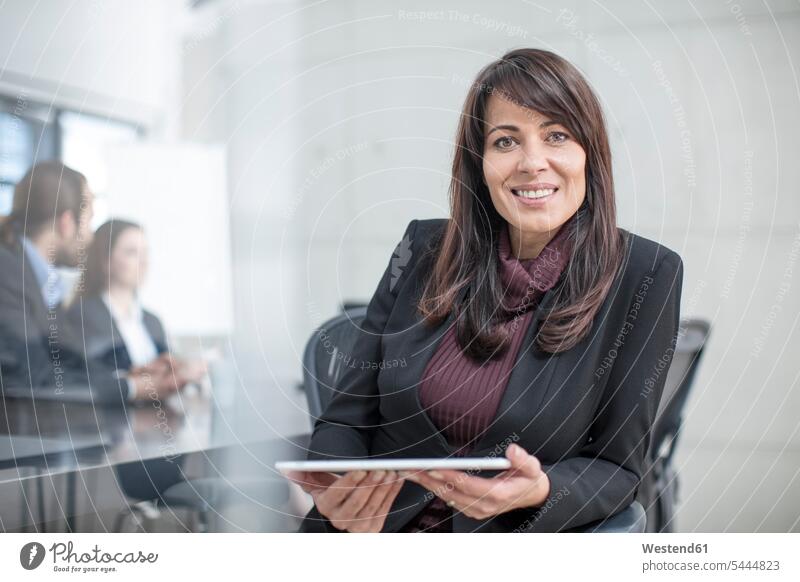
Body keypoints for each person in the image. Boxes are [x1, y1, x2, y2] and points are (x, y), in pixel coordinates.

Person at [289, 48, 684, 533]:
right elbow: (345, 421)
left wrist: (541, 490)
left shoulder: (646, 274)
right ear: (479, 163)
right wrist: (337, 488)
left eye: (556, 135)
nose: (532, 163)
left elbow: (619, 468)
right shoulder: (423, 247)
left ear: (590, 154)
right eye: (505, 141)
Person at [0, 161, 187, 404]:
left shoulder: (37, 280)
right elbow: (33, 380)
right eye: (88, 222)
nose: (90, 239)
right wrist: (131, 387)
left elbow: (64, 364)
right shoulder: (9, 276)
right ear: (66, 224)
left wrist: (127, 375)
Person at [67, 219, 206, 397]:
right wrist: (132, 378)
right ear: (105, 260)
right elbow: (85, 380)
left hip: (156, 419)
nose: (144, 261)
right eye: (132, 252)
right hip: (111, 422)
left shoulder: (152, 321)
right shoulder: (81, 317)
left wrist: (181, 370)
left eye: (145, 252)